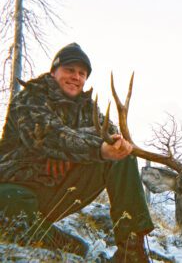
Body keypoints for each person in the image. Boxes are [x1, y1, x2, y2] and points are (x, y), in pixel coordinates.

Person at [0, 43, 154, 262]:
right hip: (16, 186)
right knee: (10, 201)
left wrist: (71, 152)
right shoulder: (29, 99)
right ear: (54, 72)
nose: (76, 77)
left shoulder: (87, 108)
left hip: (56, 188)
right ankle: (63, 244)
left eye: (82, 73)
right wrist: (82, 147)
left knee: (121, 155)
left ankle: (131, 249)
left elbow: (112, 137)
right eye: (69, 70)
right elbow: (47, 134)